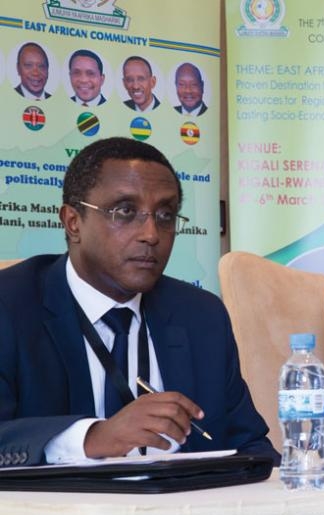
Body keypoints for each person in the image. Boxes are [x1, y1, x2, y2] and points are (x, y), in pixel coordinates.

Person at [0, 137, 277, 466]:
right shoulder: (10, 306)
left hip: (181, 512)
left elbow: (249, 446)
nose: (151, 234)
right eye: (125, 211)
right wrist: (92, 438)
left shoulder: (201, 316)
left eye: (165, 215)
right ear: (73, 222)